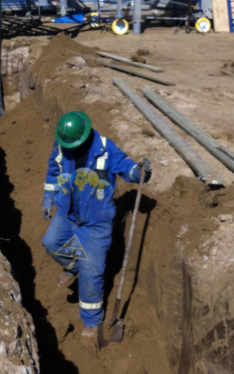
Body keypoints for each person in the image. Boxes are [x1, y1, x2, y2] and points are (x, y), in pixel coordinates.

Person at [41, 110, 152, 338]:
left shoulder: (105, 148)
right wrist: (48, 197)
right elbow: (54, 170)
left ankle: (91, 320)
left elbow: (127, 169)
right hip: (67, 213)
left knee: (91, 272)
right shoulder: (63, 145)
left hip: (96, 222)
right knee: (51, 243)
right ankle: (72, 266)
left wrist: (139, 171)